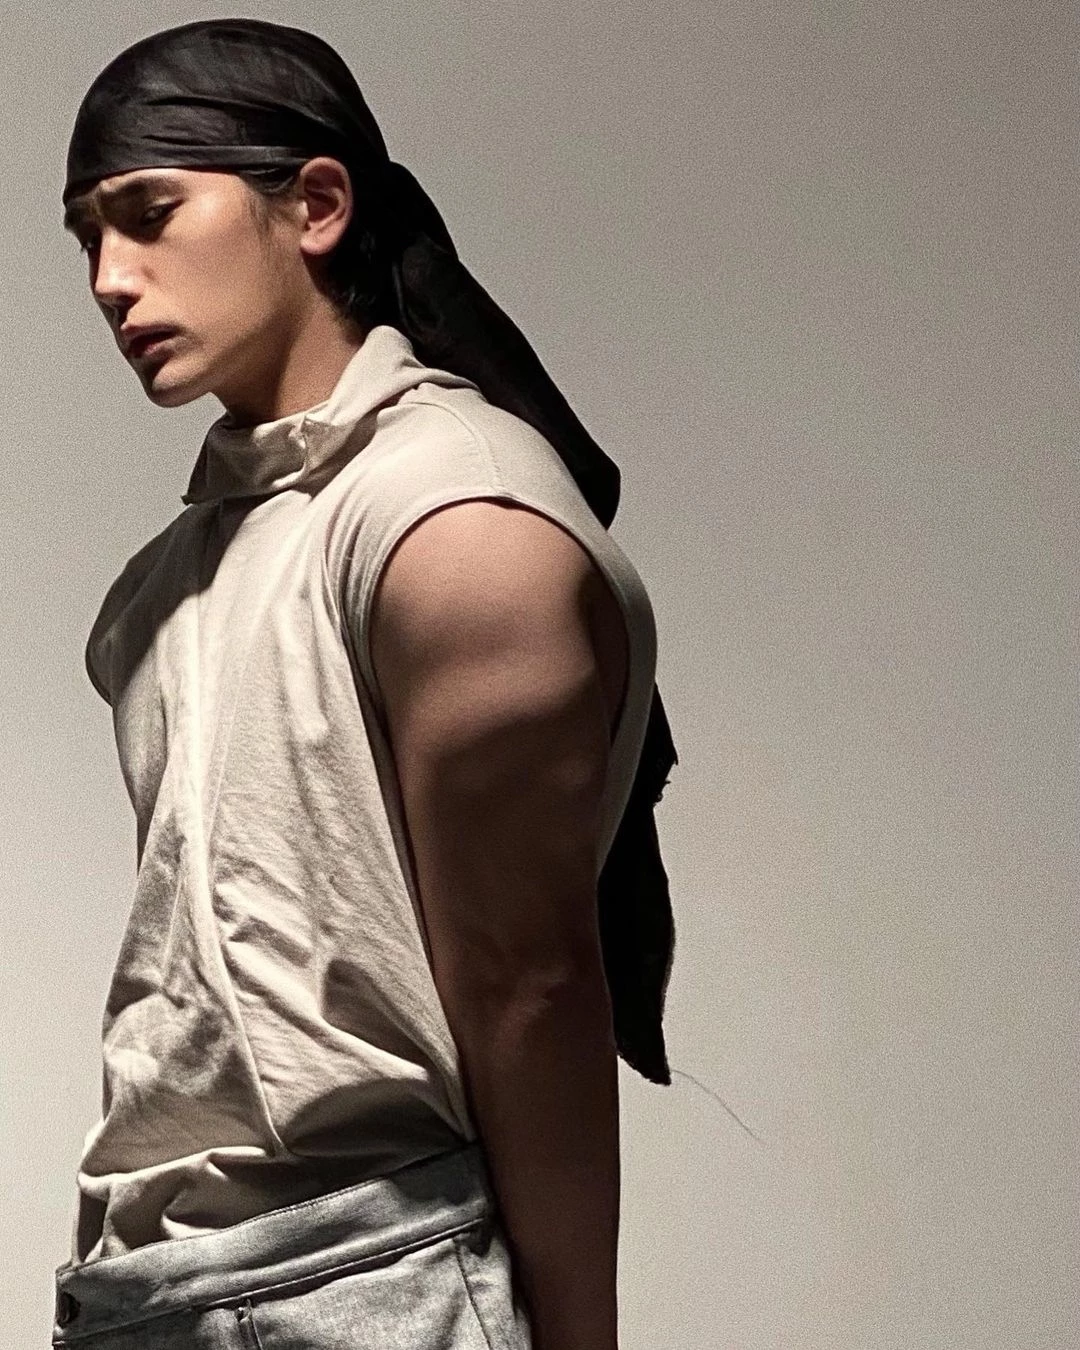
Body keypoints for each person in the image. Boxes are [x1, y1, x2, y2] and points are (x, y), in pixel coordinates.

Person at [54, 18, 678, 1350]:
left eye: (148, 215)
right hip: (142, 1286)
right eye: (86, 238)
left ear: (318, 205)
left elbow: (527, 978)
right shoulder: (162, 589)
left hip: (363, 1277)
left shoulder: (455, 525)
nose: (110, 277)